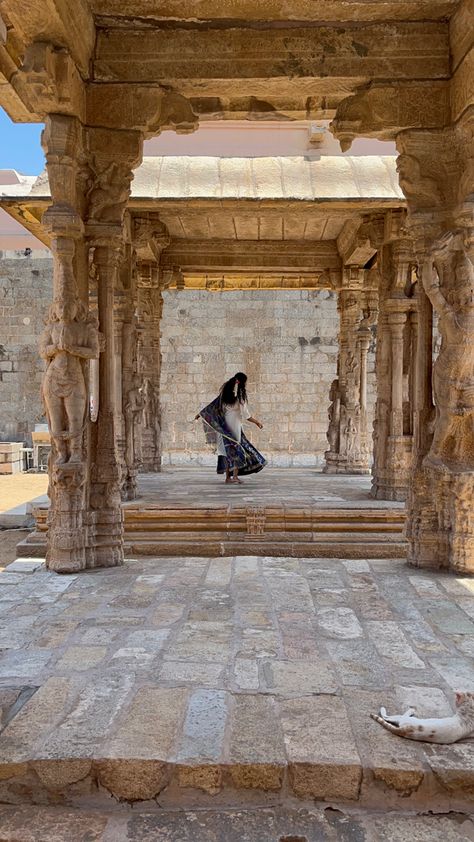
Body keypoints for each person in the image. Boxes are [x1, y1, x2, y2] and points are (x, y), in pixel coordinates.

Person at [195, 372, 266, 483]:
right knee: (236, 450)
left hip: (223, 429)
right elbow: (246, 416)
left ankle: (228, 477)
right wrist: (257, 422)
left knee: (227, 451)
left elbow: (211, 407)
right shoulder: (240, 398)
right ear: (241, 383)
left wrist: (200, 414)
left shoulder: (223, 397)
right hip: (235, 428)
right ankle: (235, 477)